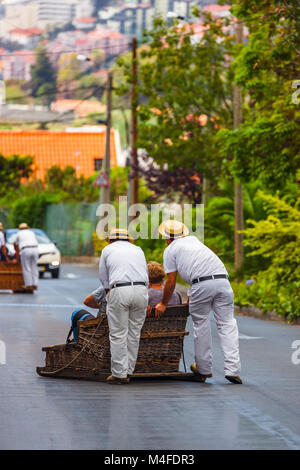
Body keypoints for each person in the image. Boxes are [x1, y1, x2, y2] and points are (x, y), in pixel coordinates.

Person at [155, 219, 242, 385]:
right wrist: (192, 295)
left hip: (201, 285)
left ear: (167, 239)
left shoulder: (171, 249)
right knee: (227, 324)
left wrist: (163, 304)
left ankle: (203, 369)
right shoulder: (195, 242)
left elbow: (171, 282)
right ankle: (234, 370)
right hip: (223, 282)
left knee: (201, 324)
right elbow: (201, 269)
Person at [99, 228, 148, 385]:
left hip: (120, 289)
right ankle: (128, 371)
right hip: (141, 290)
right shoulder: (138, 249)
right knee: (134, 333)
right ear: (128, 239)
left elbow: (104, 277)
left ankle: (120, 374)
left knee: (118, 333)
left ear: (111, 240)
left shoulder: (107, 250)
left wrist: (109, 295)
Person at [14, 223, 39, 291]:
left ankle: (29, 285)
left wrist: (16, 252)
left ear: (20, 228)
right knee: (34, 267)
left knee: (26, 267)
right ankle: (35, 284)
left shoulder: (19, 233)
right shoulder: (31, 232)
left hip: (26, 249)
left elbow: (15, 243)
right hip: (35, 249)